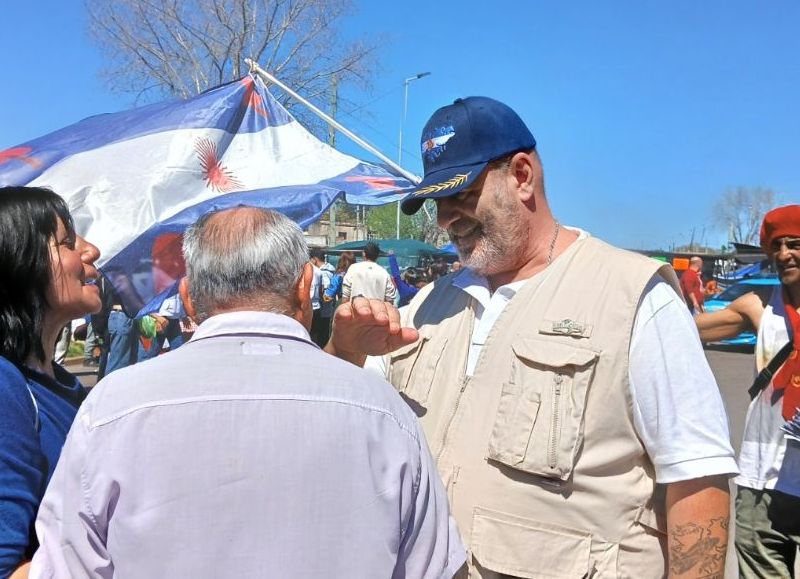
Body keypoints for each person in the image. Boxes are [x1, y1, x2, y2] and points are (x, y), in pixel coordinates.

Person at [325, 97, 737, 578]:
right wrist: (344, 351)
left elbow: (697, 477)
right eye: (438, 203)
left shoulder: (632, 297)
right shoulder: (426, 306)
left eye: (461, 195)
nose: (445, 219)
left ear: (522, 175)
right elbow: (348, 427)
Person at [31, 207, 465, 578]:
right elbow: (432, 566)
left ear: (187, 296)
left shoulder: (112, 407)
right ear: (304, 286)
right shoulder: (384, 411)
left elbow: (66, 566)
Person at [0, 186, 101, 578]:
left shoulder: (63, 384)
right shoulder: (6, 388)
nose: (90, 251)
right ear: (19, 261)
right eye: (67, 241)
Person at [696, 204, 800, 578]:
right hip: (762, 480)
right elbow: (691, 330)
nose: (785, 253)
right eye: (778, 245)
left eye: (796, 243)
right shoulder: (760, 306)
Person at [309, 247, 334, 347]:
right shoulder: (331, 269)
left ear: (314, 259)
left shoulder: (323, 272)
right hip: (326, 310)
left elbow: (325, 291)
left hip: (322, 310)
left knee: (319, 338)